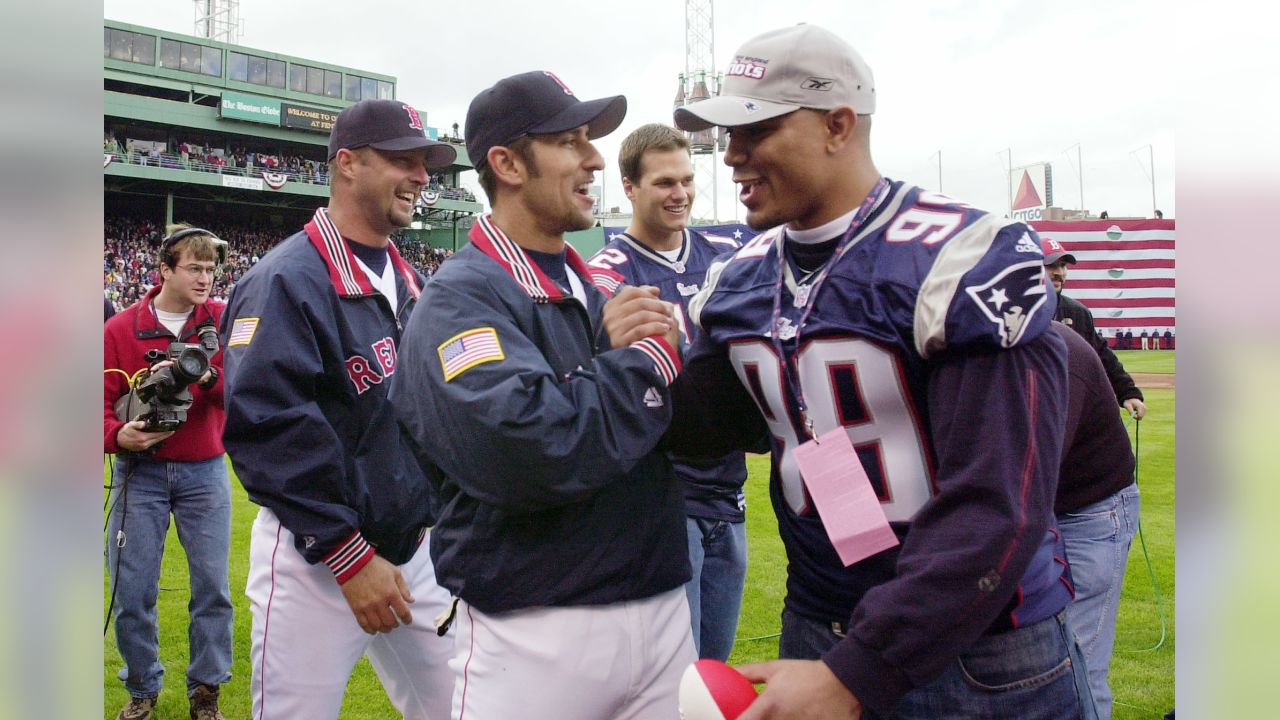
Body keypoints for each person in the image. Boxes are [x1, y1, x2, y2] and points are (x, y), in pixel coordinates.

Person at [670, 23, 1094, 719]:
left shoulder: (963, 258)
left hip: (978, 649)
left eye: (758, 130)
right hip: (820, 625)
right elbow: (694, 427)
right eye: (728, 134)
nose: (733, 155)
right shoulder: (739, 279)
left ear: (838, 124)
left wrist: (855, 674)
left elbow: (997, 508)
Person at [392, 71, 694, 720]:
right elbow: (527, 448)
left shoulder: (593, 286)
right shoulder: (459, 299)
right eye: (569, 140)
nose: (593, 159)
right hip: (538, 631)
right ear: (506, 163)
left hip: (662, 607)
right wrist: (640, 365)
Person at [220, 99, 457, 720]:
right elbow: (266, 427)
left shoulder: (411, 282)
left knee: (465, 707)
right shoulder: (287, 277)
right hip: (317, 561)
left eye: (425, 163)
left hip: (415, 549)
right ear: (347, 164)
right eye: (402, 159)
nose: (422, 176)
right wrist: (349, 556)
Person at [587, 123, 750, 661]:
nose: (679, 193)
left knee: (713, 673)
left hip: (729, 492)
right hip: (666, 499)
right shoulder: (610, 273)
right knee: (676, 683)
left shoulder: (728, 251)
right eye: (663, 182)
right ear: (629, 187)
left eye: (685, 179)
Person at [103, 225, 232, 720]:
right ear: (165, 270)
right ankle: (141, 690)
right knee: (132, 590)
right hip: (141, 472)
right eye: (194, 268)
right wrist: (118, 436)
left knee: (213, 588)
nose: (205, 278)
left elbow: (241, 395)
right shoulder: (118, 330)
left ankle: (207, 692)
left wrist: (209, 374)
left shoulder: (224, 320)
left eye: (211, 268)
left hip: (205, 470)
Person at [1051, 321, 1140, 720]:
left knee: (1076, 664)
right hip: (1049, 506)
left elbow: (1029, 479)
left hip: (1089, 511)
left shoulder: (1058, 352)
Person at [1042, 238, 1147, 418]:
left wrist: (1128, 392)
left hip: (1069, 408)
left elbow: (1100, 355)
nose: (1059, 272)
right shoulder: (1013, 312)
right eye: (1051, 266)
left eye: (1064, 265)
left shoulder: (1077, 312)